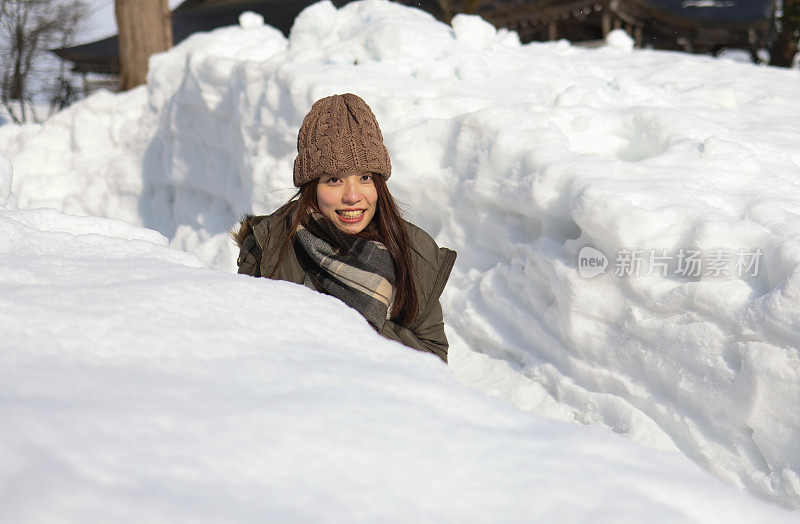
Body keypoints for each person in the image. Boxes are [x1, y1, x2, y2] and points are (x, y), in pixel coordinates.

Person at [232, 93, 456, 362]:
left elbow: (434, 359)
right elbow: (248, 347)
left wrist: (352, 324)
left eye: (364, 178)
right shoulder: (269, 248)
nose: (352, 196)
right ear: (311, 187)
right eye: (334, 180)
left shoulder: (413, 252)